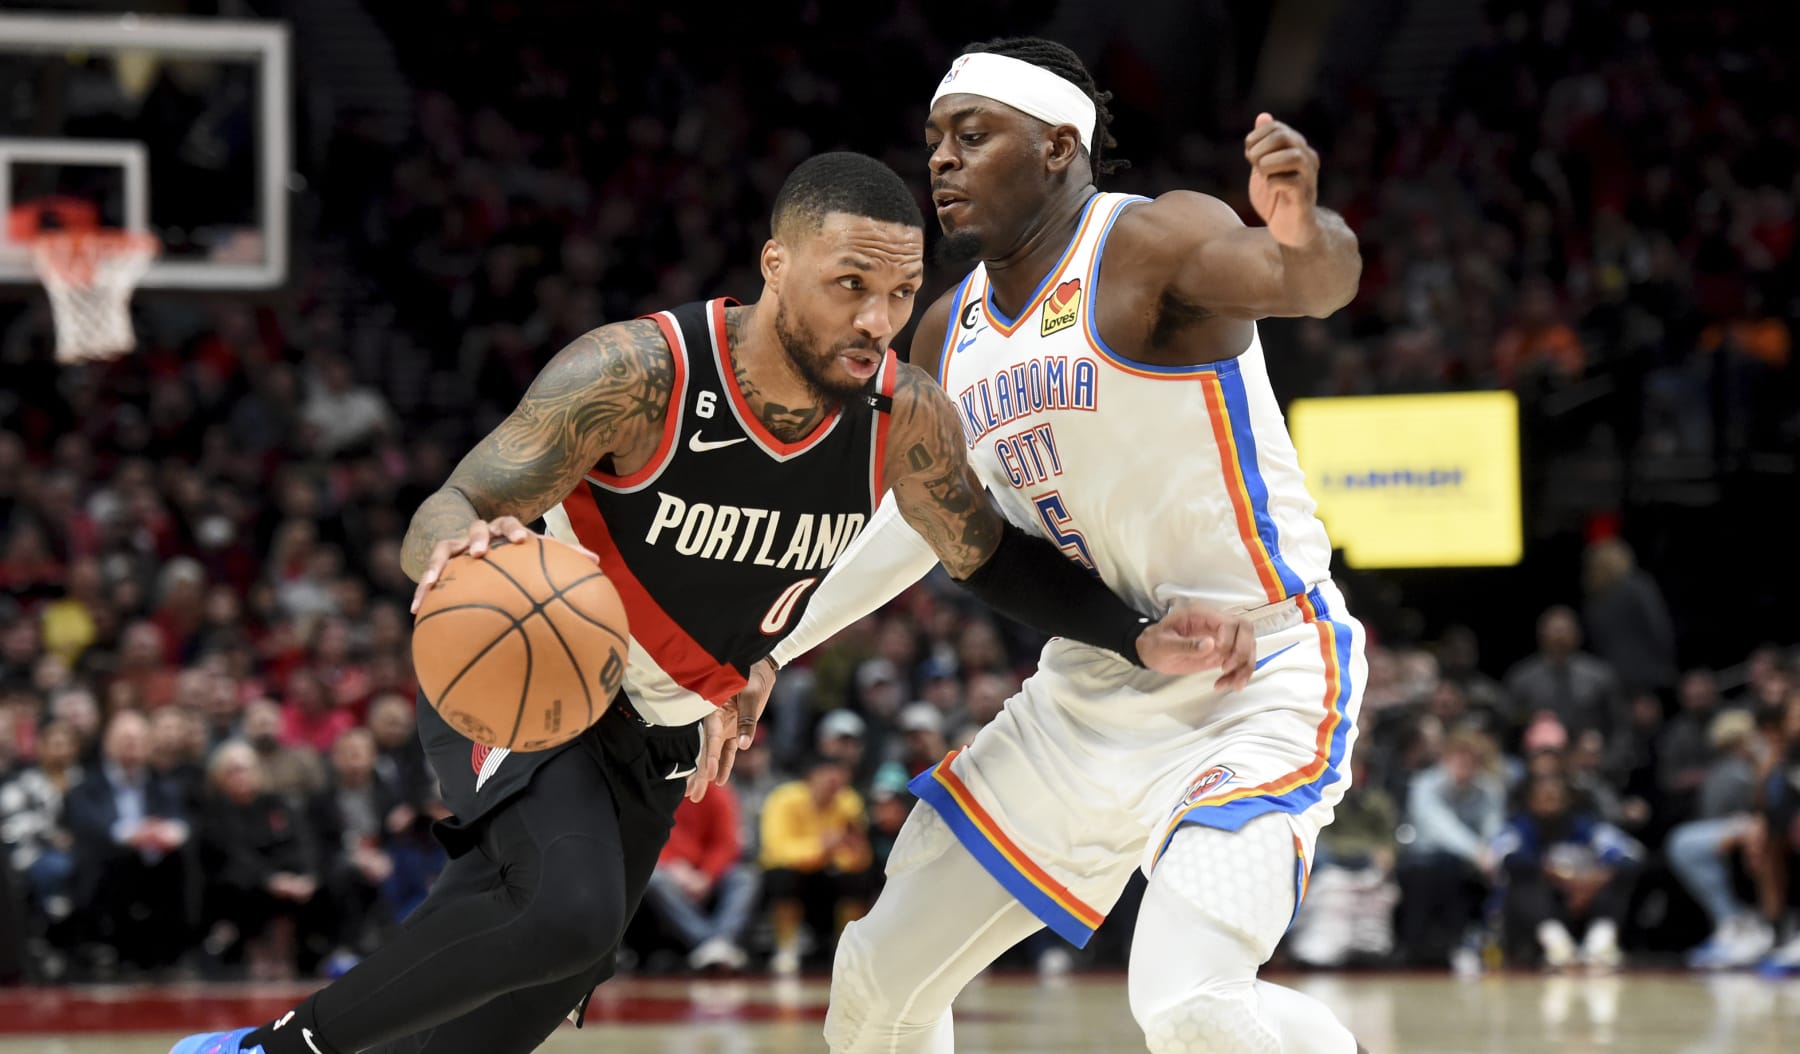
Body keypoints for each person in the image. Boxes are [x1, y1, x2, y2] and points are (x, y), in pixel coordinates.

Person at [174, 150, 1244, 1054]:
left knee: (543, 986)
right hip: (526, 668)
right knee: (565, 908)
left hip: (671, 724)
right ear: (776, 265)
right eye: (849, 285)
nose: (879, 319)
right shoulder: (639, 371)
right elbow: (446, 504)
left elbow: (981, 552)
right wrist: (467, 544)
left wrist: (1137, 634)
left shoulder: (904, 419)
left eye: (900, 292)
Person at [764, 36, 1370, 1054]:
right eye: (933, 142)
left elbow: (1308, 282)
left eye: (972, 135)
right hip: (1093, 687)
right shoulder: (942, 337)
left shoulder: (1150, 245)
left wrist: (1309, 235)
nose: (942, 163)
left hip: (1256, 679)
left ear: (1057, 146)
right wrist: (761, 652)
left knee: (1189, 1005)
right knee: (875, 982)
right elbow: (914, 526)